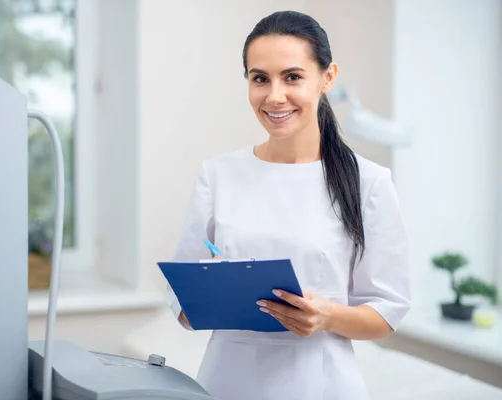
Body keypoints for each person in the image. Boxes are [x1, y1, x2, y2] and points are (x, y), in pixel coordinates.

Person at [166, 10, 411, 400]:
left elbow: (386, 312)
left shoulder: (369, 182)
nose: (274, 96)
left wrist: (326, 315)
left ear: (327, 78)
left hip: (322, 383)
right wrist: (206, 295)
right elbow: (182, 304)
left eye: (292, 77)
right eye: (260, 78)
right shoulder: (217, 174)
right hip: (227, 380)